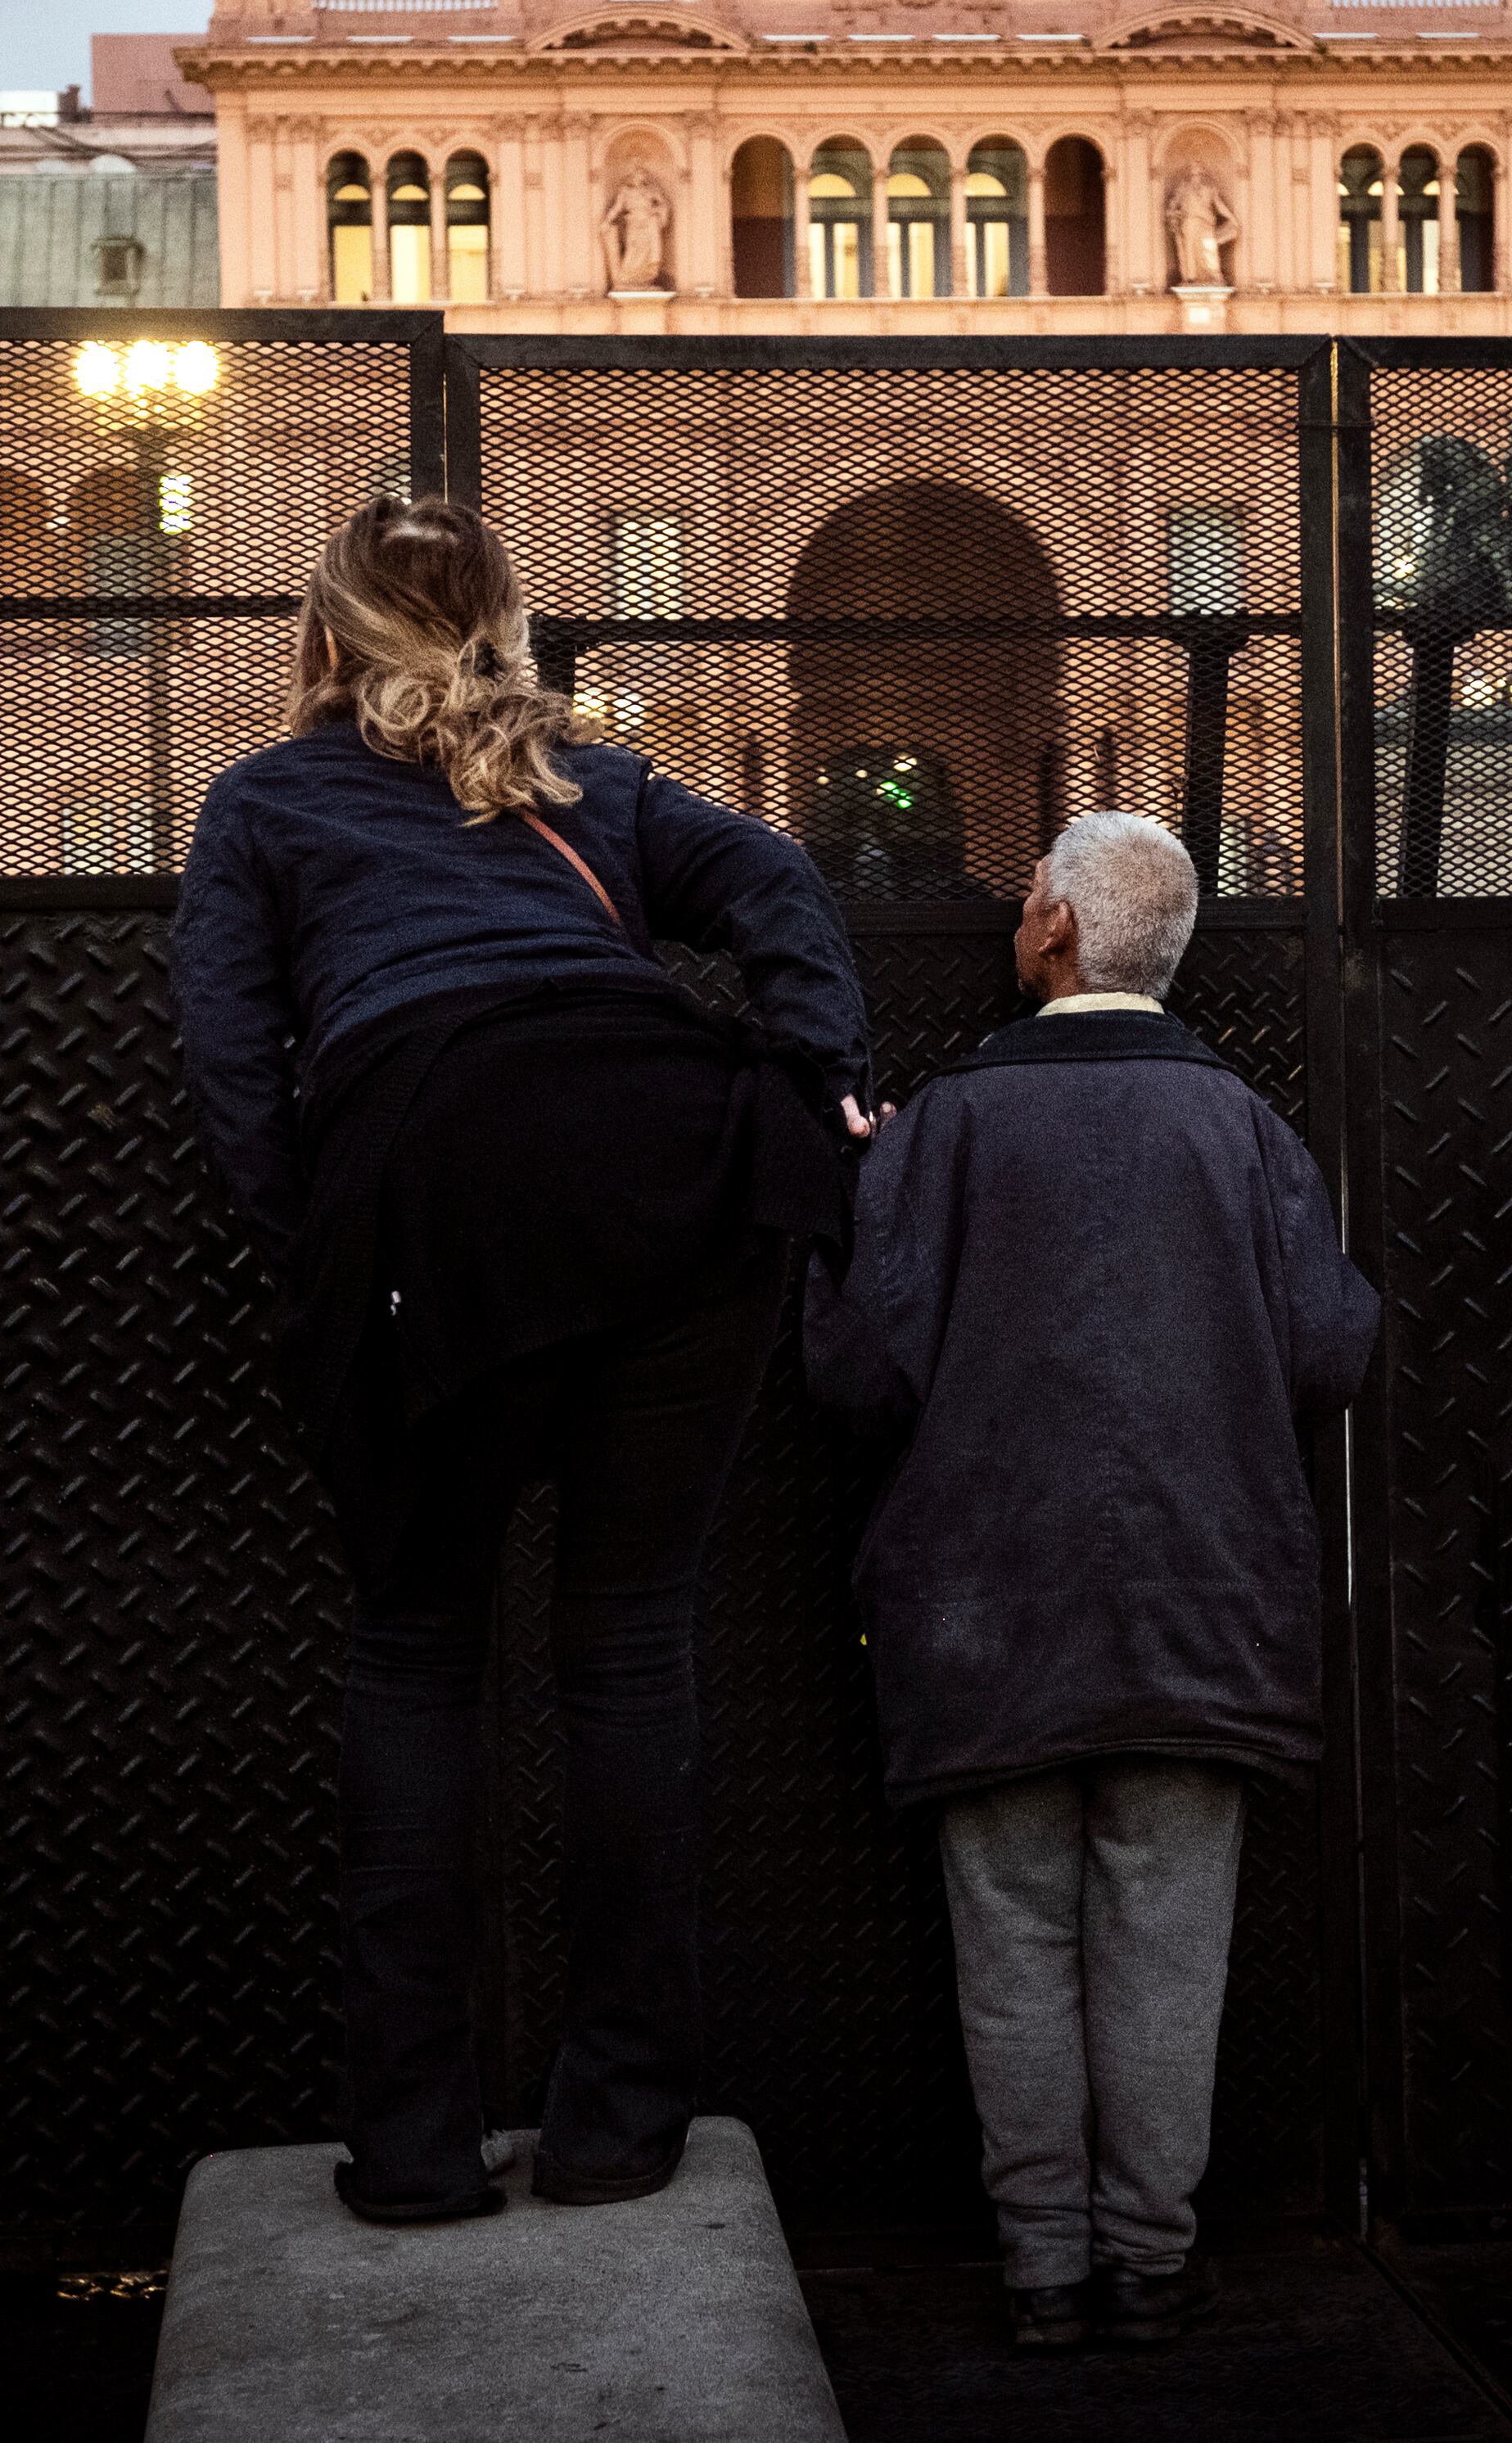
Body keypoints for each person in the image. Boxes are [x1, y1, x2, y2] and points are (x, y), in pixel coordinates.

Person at [172, 497, 873, 2223]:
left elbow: (226, 1058)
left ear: (324, 642)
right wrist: (811, 1075)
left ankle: (412, 2144)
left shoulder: (263, 801)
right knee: (629, 1647)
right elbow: (777, 881)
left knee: (418, 1651)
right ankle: (616, 2121)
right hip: (667, 1159)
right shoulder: (597, 784)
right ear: (506, 627)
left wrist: (326, 1231)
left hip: (435, 1185)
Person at [804, 811, 1377, 2349]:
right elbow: (1330, 1349)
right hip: (1207, 1607)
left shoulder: (946, 1128)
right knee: (1167, 1937)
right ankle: (1151, 2254)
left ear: (1056, 930)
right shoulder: (1247, 1128)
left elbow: (859, 1379)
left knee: (1011, 1940)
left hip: (985, 1610)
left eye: (1024, 898)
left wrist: (845, 1216)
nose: (1012, 916)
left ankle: (1043, 2267)